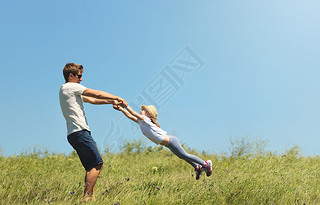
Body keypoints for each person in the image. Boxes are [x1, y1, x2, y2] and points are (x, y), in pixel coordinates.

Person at [59, 63, 127, 202]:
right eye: (79, 76)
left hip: (73, 134)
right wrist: (118, 97)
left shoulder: (65, 91)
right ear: (70, 76)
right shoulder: (71, 86)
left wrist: (112, 101)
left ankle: (91, 198)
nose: (81, 79)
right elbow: (96, 93)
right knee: (98, 164)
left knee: (90, 167)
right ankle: (87, 198)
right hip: (80, 132)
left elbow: (92, 99)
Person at [113, 103, 212, 180]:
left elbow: (133, 113)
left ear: (148, 114)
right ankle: (197, 167)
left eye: (143, 110)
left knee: (185, 155)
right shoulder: (142, 122)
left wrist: (126, 106)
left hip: (172, 141)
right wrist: (121, 109)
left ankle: (205, 164)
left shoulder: (145, 119)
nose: (140, 111)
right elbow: (131, 117)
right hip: (169, 144)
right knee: (182, 156)